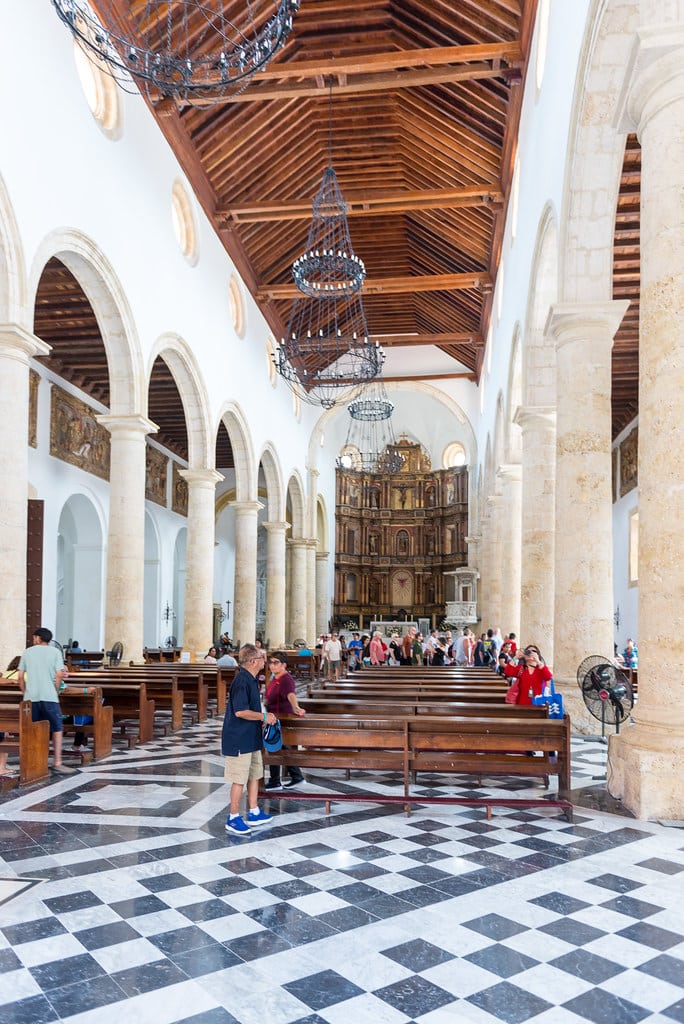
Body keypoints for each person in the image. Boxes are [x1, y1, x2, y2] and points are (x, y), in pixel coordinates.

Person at [221, 643, 276, 836]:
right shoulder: (241, 681)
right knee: (238, 779)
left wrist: (259, 720)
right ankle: (233, 817)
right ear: (253, 661)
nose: (265, 661)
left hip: (251, 735)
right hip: (238, 737)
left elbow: (252, 707)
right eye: (262, 658)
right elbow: (240, 711)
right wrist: (263, 717)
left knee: (254, 774)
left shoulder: (252, 679)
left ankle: (253, 811)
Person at [17, 627, 75, 774]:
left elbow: (20, 677)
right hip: (49, 697)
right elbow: (59, 675)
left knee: (31, 729)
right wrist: (54, 691)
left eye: (34, 637)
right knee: (56, 728)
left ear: (38, 638)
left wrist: (25, 692)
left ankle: (32, 761)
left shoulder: (27, 652)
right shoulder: (55, 652)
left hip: (31, 698)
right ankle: (57, 762)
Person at [263, 651, 306, 791]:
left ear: (284, 665)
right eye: (271, 662)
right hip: (274, 718)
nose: (272, 665)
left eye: (276, 662)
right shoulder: (274, 677)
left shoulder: (286, 679)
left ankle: (295, 777)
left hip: (283, 719)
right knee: (275, 748)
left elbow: (291, 694)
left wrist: (296, 707)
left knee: (280, 748)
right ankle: (278, 780)